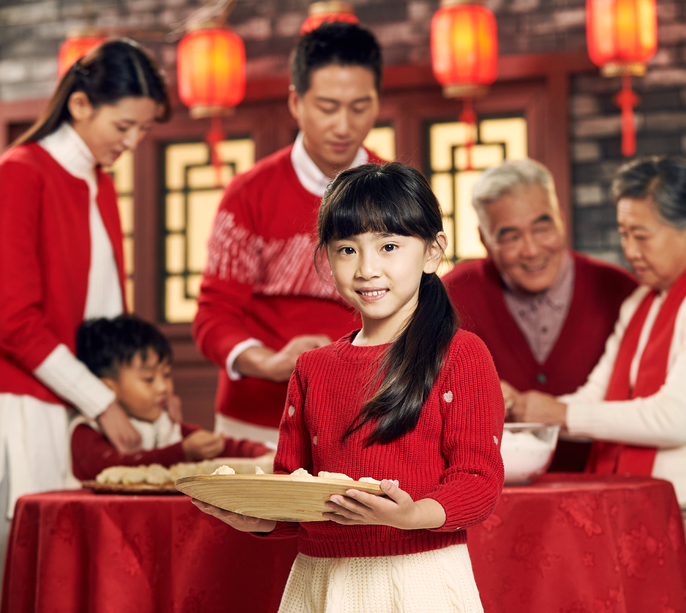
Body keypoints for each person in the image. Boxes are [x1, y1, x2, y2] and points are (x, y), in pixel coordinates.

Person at [192, 163, 505, 612]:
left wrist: (410, 515)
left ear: (433, 253)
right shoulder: (311, 368)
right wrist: (256, 517)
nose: (366, 269)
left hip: (420, 581)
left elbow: (478, 482)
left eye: (389, 246)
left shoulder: (461, 354)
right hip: (321, 581)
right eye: (346, 250)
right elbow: (296, 493)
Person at [0, 38, 170, 611]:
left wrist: (141, 390)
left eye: (143, 130)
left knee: (76, 592)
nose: (132, 142)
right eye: (124, 125)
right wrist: (102, 402)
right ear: (79, 105)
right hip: (17, 410)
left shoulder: (97, 183)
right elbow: (12, 322)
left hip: (78, 406)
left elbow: (104, 322)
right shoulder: (17, 177)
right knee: (23, 594)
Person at [514, 156, 686, 606]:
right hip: (654, 503)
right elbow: (592, 398)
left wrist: (556, 413)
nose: (630, 250)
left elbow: (675, 418)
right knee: (561, 583)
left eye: (642, 234)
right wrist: (525, 408)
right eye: (624, 233)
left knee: (613, 597)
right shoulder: (642, 302)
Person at [193, 22, 386, 447]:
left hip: (370, 416)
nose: (343, 125)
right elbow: (214, 316)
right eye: (327, 106)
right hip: (259, 422)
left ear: (377, 103)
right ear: (296, 103)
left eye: (359, 107)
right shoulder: (248, 194)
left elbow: (417, 304)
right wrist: (269, 362)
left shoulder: (396, 193)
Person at [443, 158, 636, 471]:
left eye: (542, 228)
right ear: (485, 239)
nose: (531, 250)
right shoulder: (450, 295)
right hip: (490, 495)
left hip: (602, 487)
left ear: (560, 220)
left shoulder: (620, 290)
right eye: (511, 237)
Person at [70, 316, 272, 482]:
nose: (163, 387)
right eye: (148, 379)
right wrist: (182, 452)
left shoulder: (168, 426)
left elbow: (222, 445)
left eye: (166, 375)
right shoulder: (88, 431)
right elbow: (111, 467)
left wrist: (266, 455)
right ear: (108, 388)